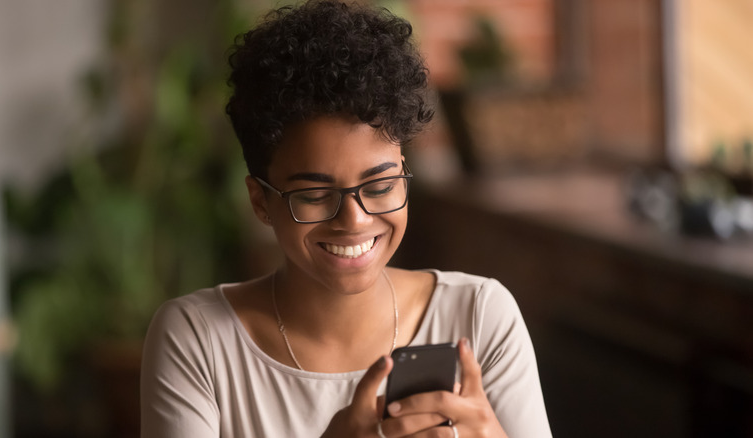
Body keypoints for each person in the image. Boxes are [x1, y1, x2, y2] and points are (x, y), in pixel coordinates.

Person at [139, 1, 552, 437]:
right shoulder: (197, 341)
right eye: (315, 195)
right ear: (260, 200)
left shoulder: (480, 318)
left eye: (380, 186)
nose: (354, 220)